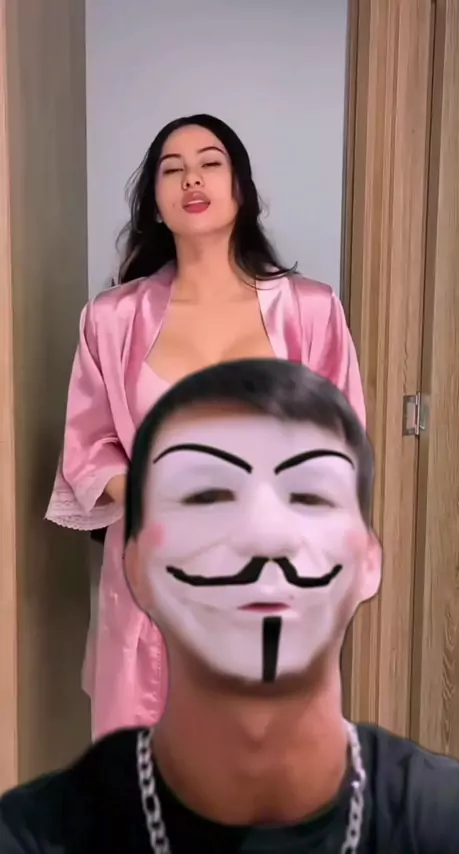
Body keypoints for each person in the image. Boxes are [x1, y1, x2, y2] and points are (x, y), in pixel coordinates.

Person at [2, 359, 459, 853]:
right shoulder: (34, 835)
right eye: (206, 495)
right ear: (136, 564)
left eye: (309, 495)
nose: (264, 535)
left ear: (368, 562)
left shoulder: (453, 824)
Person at [45, 113, 366, 740]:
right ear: (156, 204)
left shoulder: (310, 311)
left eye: (210, 163)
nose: (191, 178)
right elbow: (88, 446)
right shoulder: (113, 319)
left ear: (240, 187)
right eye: (172, 169)